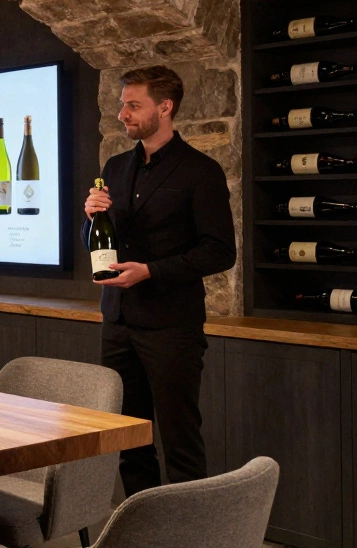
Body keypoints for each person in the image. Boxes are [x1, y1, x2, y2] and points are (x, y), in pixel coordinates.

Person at [82, 65, 236, 496]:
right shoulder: (114, 167)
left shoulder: (200, 171)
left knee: (180, 442)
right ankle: (140, 526)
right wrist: (90, 218)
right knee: (129, 441)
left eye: (133, 105)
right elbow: (99, 240)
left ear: (165, 107)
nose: (122, 114)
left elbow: (220, 251)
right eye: (123, 105)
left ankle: (190, 529)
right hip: (117, 322)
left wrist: (150, 271)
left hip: (171, 326)